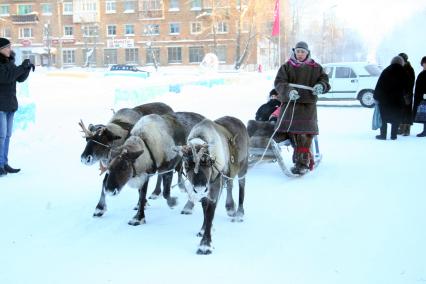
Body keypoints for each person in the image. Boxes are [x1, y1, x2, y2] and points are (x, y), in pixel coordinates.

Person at [273, 41, 330, 175]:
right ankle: (270, 151)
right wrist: (288, 91)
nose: (300, 54)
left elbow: (325, 81)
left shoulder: (316, 68)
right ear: (294, 52)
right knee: (286, 133)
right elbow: (279, 82)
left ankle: (302, 163)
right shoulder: (286, 67)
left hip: (307, 108)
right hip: (289, 107)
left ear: (307, 53)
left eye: (302, 52)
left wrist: (321, 86)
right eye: (298, 51)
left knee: (304, 136)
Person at [0, 38, 34, 177]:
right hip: (0, 106)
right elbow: (6, 77)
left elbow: (18, 78)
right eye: (7, 47)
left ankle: (4, 163)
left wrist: (26, 69)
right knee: (1, 136)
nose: (9, 49)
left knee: (7, 136)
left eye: (10, 47)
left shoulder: (10, 62)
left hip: (10, 104)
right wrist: (21, 68)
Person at [373, 56, 409, 140]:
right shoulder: (404, 72)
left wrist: (376, 96)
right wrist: (407, 97)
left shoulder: (386, 71)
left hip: (385, 99)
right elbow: (408, 87)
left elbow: (379, 84)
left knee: (383, 118)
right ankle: (394, 136)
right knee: (396, 118)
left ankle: (383, 135)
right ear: (401, 63)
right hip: (398, 100)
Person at [397, 53, 415, 136]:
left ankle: (406, 130)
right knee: (401, 111)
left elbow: (410, 83)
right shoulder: (402, 68)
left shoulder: (408, 69)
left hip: (406, 94)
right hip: (402, 94)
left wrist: (406, 94)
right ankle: (401, 128)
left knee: (407, 112)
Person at [413, 56, 426, 137]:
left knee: (424, 114)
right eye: (423, 63)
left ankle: (425, 131)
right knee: (424, 114)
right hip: (421, 97)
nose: (424, 65)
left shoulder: (424, 73)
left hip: (424, 97)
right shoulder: (422, 73)